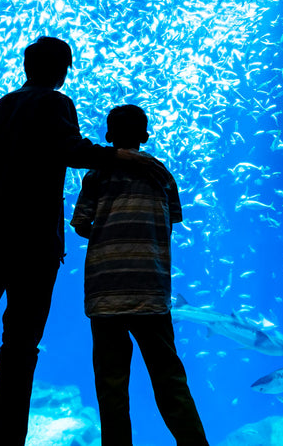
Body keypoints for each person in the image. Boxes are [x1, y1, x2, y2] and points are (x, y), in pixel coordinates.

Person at [0, 37, 165, 446]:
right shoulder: (54, 102)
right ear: (63, 70)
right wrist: (120, 156)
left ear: (26, 66)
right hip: (32, 245)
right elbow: (70, 150)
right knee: (20, 348)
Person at [71, 104, 209, 446]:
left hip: (105, 292)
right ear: (146, 136)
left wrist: (108, 233)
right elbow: (171, 222)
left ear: (107, 136)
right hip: (151, 290)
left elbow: (80, 225)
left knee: (111, 385)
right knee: (170, 380)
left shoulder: (95, 175)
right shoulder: (161, 175)